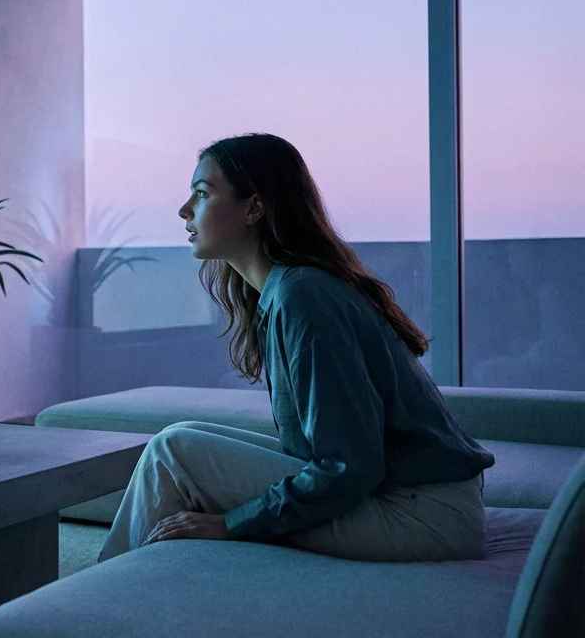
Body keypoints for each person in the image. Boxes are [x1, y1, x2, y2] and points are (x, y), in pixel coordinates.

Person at [98, 133, 495, 564]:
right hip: (414, 500)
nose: (185, 209)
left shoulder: (303, 296)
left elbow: (347, 466)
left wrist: (231, 523)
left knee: (172, 453)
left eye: (202, 193)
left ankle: (99, 597)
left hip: (424, 516)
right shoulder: (290, 289)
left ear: (253, 208)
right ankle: (143, 584)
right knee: (179, 439)